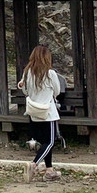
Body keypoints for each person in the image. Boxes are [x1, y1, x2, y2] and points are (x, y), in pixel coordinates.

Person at [18, 44, 62, 182]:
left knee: (43, 142)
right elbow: (57, 91)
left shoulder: (27, 72)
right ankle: (34, 164)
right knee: (50, 142)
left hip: (33, 111)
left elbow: (25, 91)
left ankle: (49, 170)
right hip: (48, 112)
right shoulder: (50, 74)